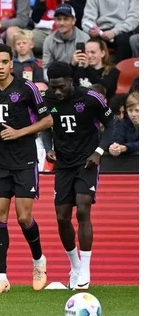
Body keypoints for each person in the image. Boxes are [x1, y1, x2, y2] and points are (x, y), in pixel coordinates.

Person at [0, 44, 53, 294]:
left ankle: (39, 261)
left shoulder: (27, 88)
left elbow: (48, 119)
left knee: (23, 217)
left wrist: (20, 132)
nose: (0, 67)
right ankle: (2, 277)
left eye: (4, 62)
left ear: (11, 64)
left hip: (24, 160)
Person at [42, 62, 117, 290]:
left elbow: (111, 124)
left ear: (71, 81)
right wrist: (49, 148)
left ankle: (85, 269)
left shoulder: (91, 98)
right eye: (53, 87)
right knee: (62, 217)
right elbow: (45, 127)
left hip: (87, 161)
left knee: (83, 209)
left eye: (61, 86)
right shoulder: (47, 99)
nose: (57, 91)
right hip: (63, 164)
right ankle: (74, 267)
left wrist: (99, 152)